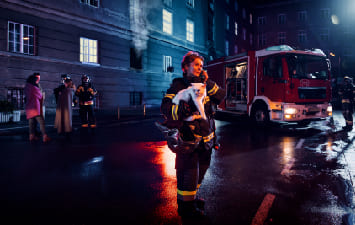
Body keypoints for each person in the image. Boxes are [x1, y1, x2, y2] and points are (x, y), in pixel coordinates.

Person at [160, 51, 226, 218]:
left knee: (199, 175)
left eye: (201, 66)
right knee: (188, 175)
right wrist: (181, 109)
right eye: (196, 65)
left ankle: (190, 200)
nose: (199, 68)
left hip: (206, 142)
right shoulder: (178, 85)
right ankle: (186, 210)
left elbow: (221, 96)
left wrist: (206, 80)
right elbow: (166, 108)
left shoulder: (205, 85)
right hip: (188, 141)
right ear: (185, 67)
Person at [24, 73, 51, 143]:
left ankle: (31, 136)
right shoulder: (35, 87)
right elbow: (40, 96)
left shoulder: (27, 87)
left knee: (31, 123)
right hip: (35, 107)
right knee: (41, 122)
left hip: (29, 108)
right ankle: (45, 136)